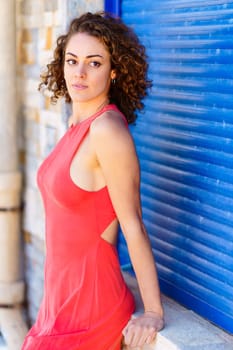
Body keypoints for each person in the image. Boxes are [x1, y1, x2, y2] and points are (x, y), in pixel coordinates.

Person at [22, 11, 164, 350]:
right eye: (72, 60)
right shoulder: (76, 124)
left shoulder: (107, 131)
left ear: (114, 72)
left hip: (93, 310)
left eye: (94, 63)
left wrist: (154, 311)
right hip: (58, 308)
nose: (80, 72)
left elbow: (133, 225)